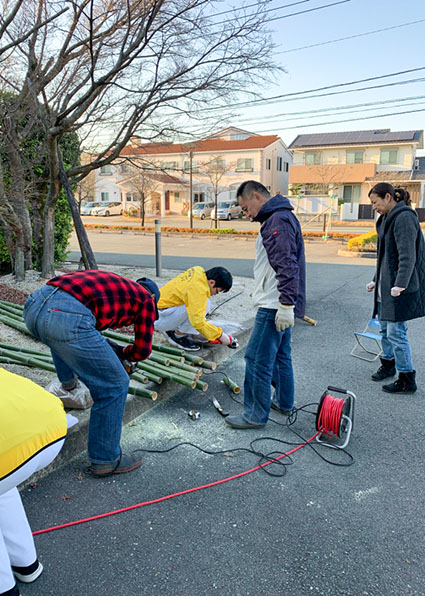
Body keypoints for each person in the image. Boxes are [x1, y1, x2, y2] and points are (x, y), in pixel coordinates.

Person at [23, 270, 160, 476]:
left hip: (34, 305)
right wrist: (124, 354)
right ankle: (105, 459)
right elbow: (142, 351)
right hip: (65, 317)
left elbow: (65, 318)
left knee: (60, 337)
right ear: (152, 297)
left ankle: (68, 385)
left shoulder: (114, 283)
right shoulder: (145, 300)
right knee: (115, 385)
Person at [225, 181, 306, 429]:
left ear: (257, 197)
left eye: (245, 206)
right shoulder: (281, 216)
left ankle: (254, 415)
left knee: (257, 359)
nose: (245, 212)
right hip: (279, 302)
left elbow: (287, 265)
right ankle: (283, 401)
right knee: (281, 355)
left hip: (274, 304)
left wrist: (285, 304)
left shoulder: (276, 222)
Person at [0, 368, 69, 596]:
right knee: (3, 487)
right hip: (51, 423)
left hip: (9, 450)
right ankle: (26, 563)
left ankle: (4, 588)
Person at [366, 183, 425, 393]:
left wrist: (400, 285)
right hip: (385, 286)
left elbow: (408, 256)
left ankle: (407, 378)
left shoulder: (404, 218)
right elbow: (384, 255)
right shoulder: (385, 219)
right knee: (385, 329)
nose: (373, 207)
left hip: (398, 288)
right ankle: (388, 364)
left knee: (396, 332)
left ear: (388, 197)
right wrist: (375, 279)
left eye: (375, 202)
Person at [155, 266, 233, 351]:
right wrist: (220, 336)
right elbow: (198, 323)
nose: (215, 294)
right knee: (203, 305)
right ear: (211, 282)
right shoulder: (198, 290)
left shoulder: (198, 271)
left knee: (200, 304)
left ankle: (174, 330)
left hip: (157, 310)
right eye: (217, 291)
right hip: (157, 319)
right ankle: (178, 336)